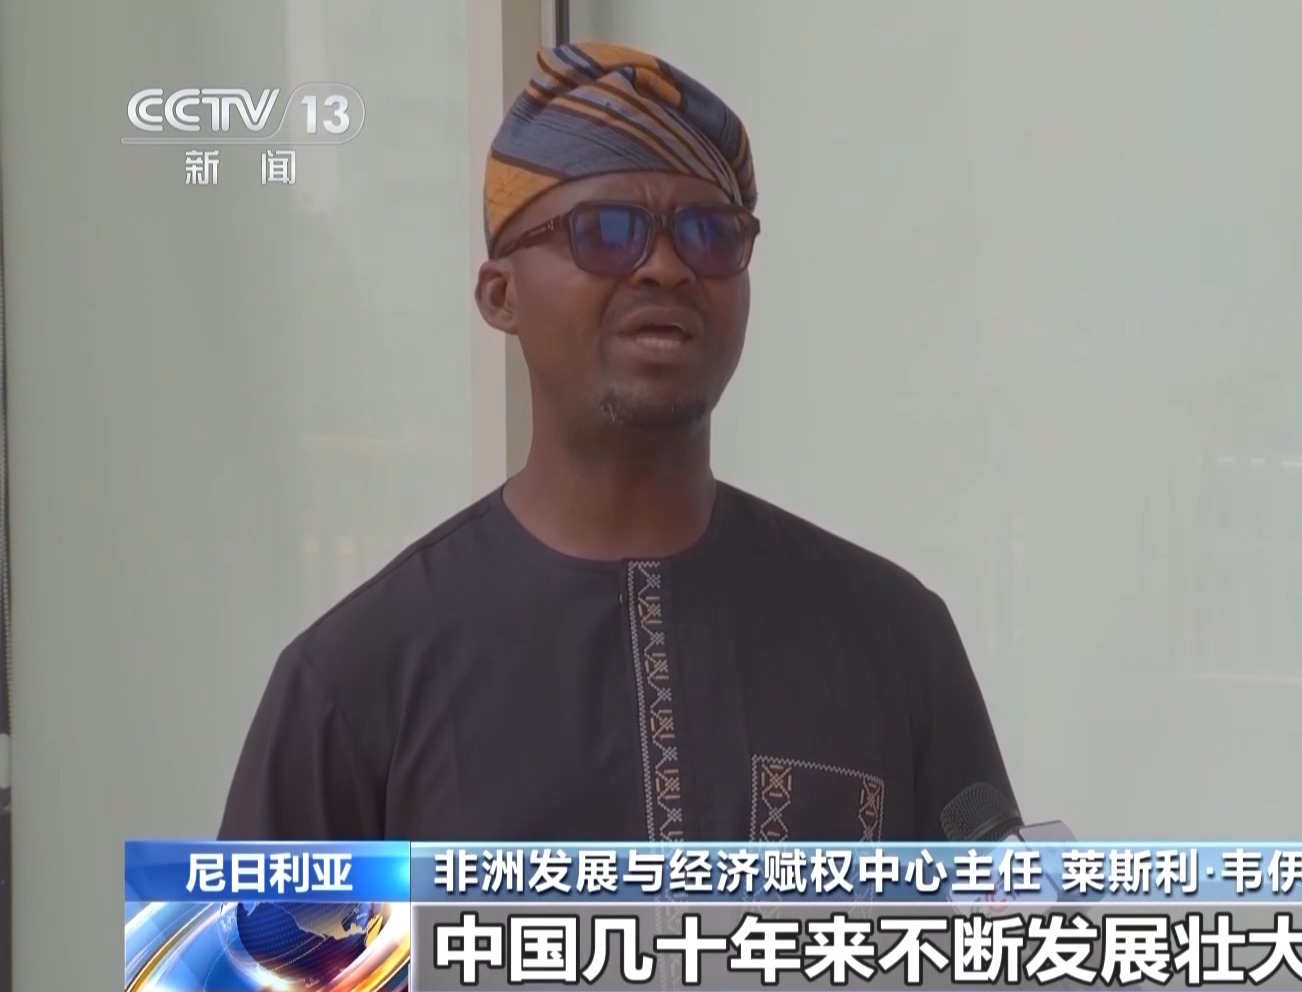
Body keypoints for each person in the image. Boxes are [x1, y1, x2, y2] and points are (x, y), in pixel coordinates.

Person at [219, 42, 1015, 842]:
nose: (666, 268)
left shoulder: (895, 642)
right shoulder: (355, 683)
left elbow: (1006, 916)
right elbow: (254, 930)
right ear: (501, 295)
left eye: (709, 235)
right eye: (606, 232)